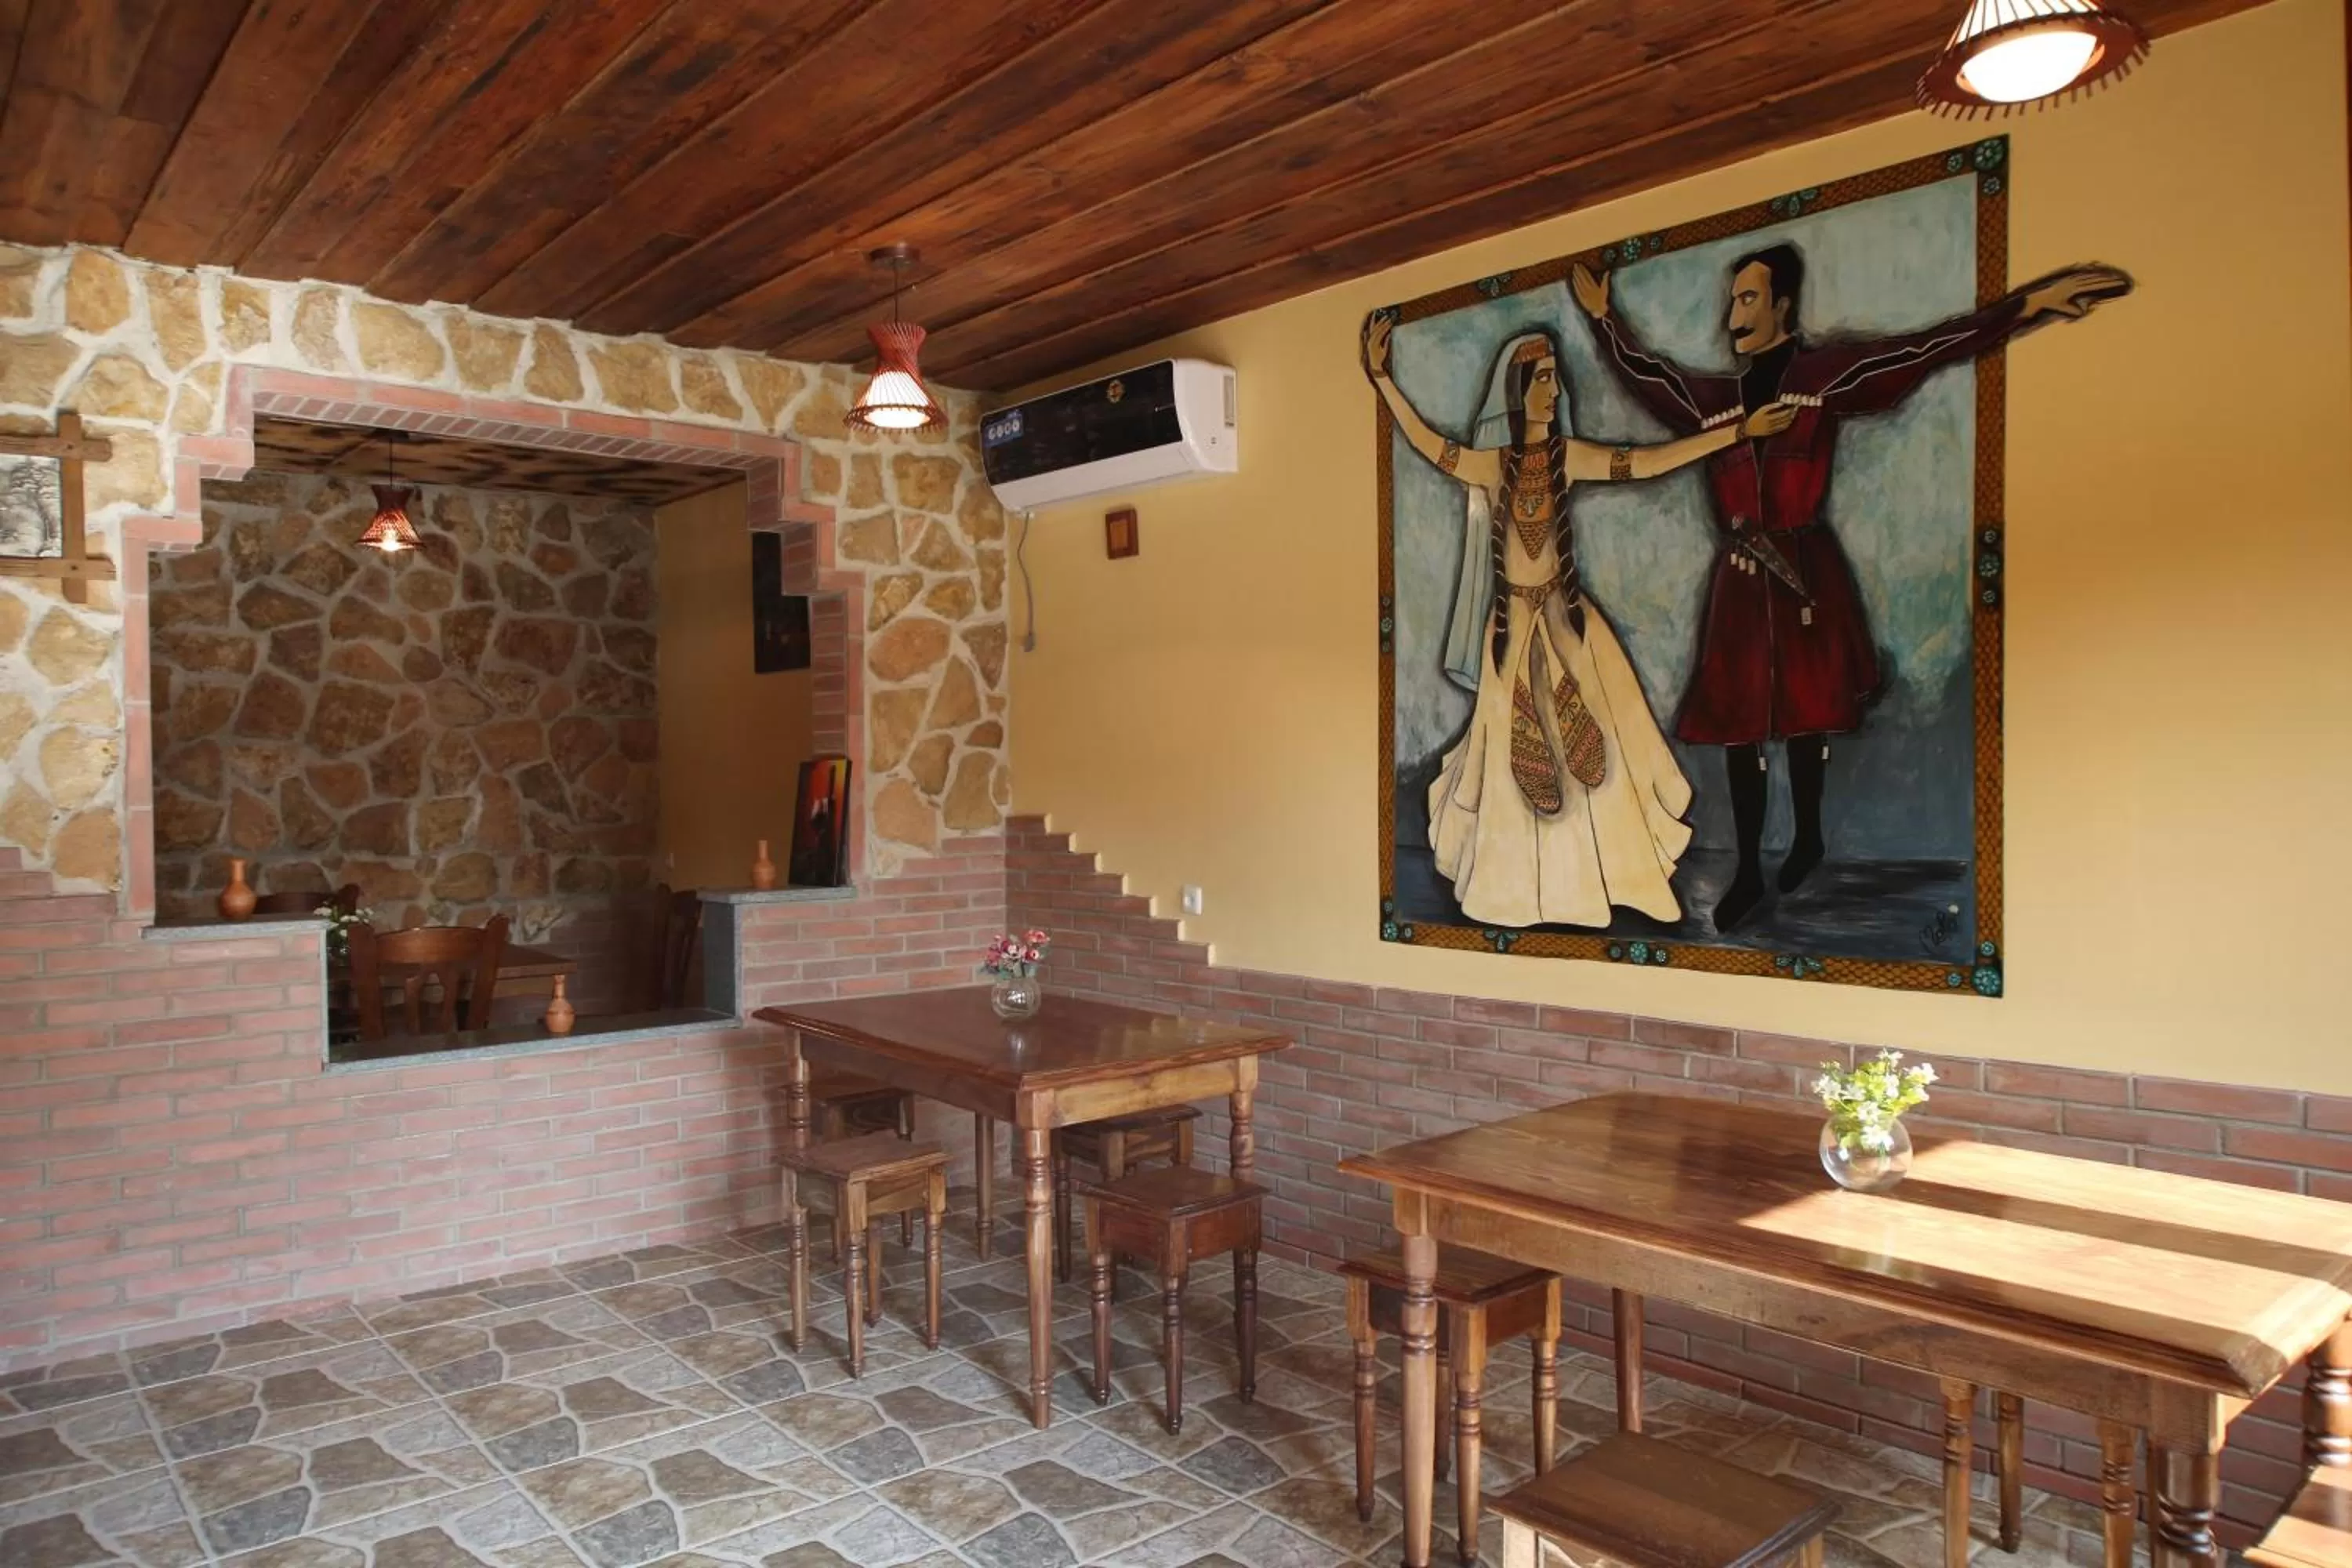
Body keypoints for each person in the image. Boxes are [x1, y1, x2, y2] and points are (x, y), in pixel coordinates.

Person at [1573, 248, 2131, 930]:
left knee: (1809, 717)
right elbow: (1649, 378)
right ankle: (1749, 868)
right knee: (1739, 732)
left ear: (1782, 305)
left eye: (1747, 300)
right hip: (1742, 583)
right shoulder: (1714, 401)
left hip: (1807, 572)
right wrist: (1603, 320)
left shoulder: (1825, 375)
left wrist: (2025, 308)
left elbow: (1926, 349)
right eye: (1732, 301)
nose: (1732, 315)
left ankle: (1808, 835)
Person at [1366, 314, 1797, 929]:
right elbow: (1431, 445)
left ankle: (1604, 880)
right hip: (1512, 634)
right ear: (1518, 391)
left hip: (1570, 626)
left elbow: (1646, 463)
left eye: (1556, 380)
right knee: (1517, 761)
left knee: (1599, 753)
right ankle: (1516, 889)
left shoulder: (1568, 457)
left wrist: (1734, 434)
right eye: (1543, 380)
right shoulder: (1493, 466)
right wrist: (1381, 378)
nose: (1556, 391)